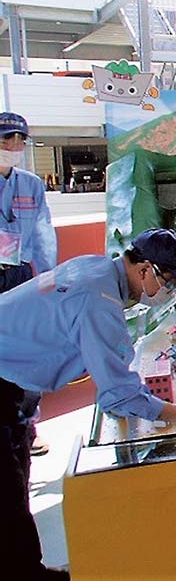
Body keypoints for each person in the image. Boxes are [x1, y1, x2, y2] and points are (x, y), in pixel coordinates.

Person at [0, 227, 176, 581]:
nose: (172, 291)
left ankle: (27, 567)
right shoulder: (99, 301)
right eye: (170, 282)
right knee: (6, 495)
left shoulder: (96, 269)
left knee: (17, 477)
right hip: (3, 380)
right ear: (145, 269)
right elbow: (118, 395)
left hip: (14, 381)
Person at [0, 112, 57, 457]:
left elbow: (43, 233)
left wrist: (50, 277)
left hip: (20, 276)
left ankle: (28, 427)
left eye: (20, 140)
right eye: (7, 139)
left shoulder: (31, 185)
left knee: (28, 350)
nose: (14, 146)